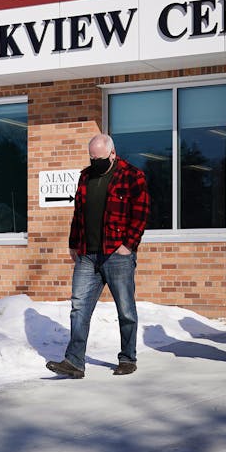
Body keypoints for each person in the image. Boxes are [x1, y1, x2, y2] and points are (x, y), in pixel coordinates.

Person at [45, 133, 150, 378]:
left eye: (99, 158)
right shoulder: (85, 176)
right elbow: (77, 214)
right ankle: (74, 362)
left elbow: (141, 213)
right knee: (78, 308)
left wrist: (129, 245)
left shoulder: (133, 176)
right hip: (87, 255)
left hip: (117, 253)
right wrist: (73, 244)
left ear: (112, 153)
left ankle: (127, 358)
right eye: (92, 158)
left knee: (125, 309)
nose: (95, 162)